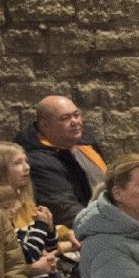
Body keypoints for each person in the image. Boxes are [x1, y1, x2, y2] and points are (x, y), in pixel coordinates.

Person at [0, 139, 80, 278]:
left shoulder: (24, 198)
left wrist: (56, 230)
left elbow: (44, 239)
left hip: (48, 271)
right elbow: (24, 252)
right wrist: (41, 260)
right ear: (1, 169)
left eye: (26, 161)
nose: (26, 167)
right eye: (17, 163)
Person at [17, 95, 111, 228]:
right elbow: (66, 212)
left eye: (76, 115)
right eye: (65, 118)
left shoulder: (86, 143)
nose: (75, 122)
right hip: (85, 231)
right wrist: (111, 228)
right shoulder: (38, 161)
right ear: (45, 126)